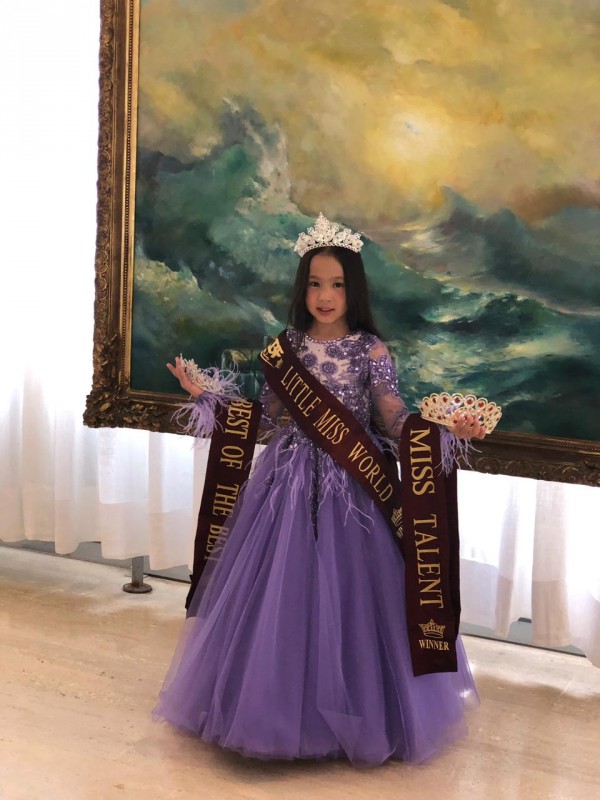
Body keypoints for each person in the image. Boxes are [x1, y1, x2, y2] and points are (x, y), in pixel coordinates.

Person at [153, 213, 486, 765]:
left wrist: (447, 431)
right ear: (302, 288)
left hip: (354, 487)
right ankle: (272, 707)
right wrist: (206, 397)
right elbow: (267, 418)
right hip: (285, 482)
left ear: (353, 290)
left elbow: (393, 419)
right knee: (279, 593)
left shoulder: (370, 350)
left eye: (336, 284)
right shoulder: (285, 347)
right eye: (314, 283)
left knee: (352, 598)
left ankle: (358, 712)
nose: (324, 296)